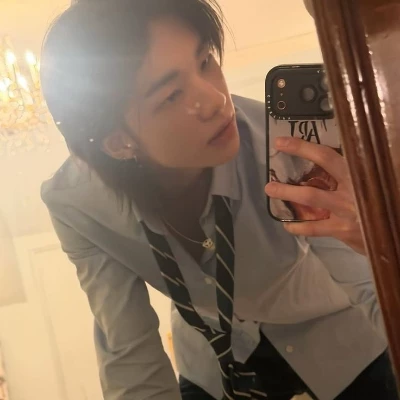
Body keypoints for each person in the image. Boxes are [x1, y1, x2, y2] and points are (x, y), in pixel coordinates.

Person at [40, 0, 397, 399]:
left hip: (334, 336)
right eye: (171, 95)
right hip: (212, 359)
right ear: (119, 143)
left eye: (205, 60)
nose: (216, 101)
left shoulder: (283, 149)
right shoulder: (78, 205)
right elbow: (128, 351)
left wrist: (378, 238)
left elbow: (366, 284)